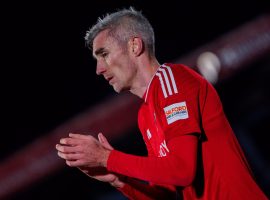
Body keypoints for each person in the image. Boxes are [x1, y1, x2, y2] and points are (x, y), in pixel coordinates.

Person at [55, 7, 268, 200]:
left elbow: (182, 170)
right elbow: (165, 195)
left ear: (135, 45)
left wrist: (107, 157)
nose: (99, 69)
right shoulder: (145, 114)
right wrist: (118, 179)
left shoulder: (172, 80)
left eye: (105, 54)